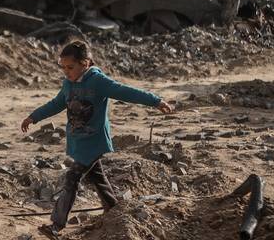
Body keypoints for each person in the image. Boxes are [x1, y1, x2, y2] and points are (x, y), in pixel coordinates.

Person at [21, 40, 173, 238]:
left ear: (85, 63)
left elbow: (125, 91)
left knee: (72, 178)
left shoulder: (98, 82)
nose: (66, 72)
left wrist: (156, 101)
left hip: (95, 141)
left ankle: (56, 225)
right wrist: (34, 116)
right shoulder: (68, 84)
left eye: (70, 67)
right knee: (97, 177)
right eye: (63, 68)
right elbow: (57, 103)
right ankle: (113, 209)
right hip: (78, 141)